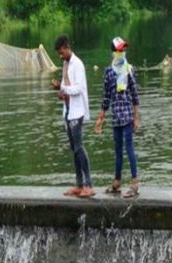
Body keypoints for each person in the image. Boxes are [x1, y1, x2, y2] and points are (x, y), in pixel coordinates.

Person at [94, 36, 141, 198]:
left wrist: (136, 117)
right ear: (114, 52)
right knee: (118, 151)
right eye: (119, 50)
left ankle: (135, 183)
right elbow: (106, 97)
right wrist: (101, 118)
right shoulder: (108, 73)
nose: (122, 52)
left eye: (124, 49)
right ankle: (117, 182)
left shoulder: (129, 69)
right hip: (116, 118)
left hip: (127, 116)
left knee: (129, 149)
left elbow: (135, 95)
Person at [51, 35, 94, 197]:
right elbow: (68, 89)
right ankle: (79, 184)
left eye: (62, 52)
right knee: (74, 149)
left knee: (79, 147)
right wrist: (61, 92)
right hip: (68, 111)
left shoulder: (78, 64)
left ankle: (88, 185)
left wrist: (62, 87)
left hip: (77, 112)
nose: (60, 56)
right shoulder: (65, 64)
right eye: (59, 54)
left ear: (67, 47)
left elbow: (78, 89)